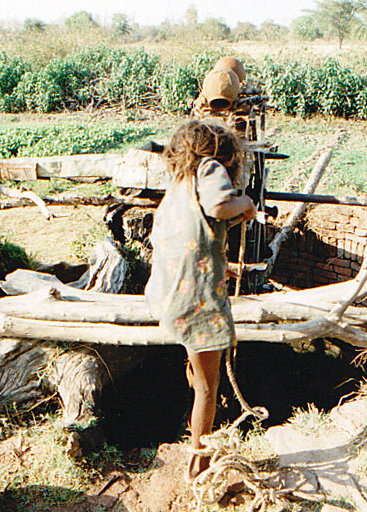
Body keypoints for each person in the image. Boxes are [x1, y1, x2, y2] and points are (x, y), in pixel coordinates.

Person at [144, 119, 258, 482]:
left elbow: (191, 240)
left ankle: (194, 438)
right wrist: (246, 201)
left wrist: (220, 269)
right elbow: (222, 204)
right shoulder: (210, 168)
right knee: (209, 388)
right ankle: (200, 462)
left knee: (198, 375)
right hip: (197, 303)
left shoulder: (178, 188)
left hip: (169, 298)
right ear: (221, 155)